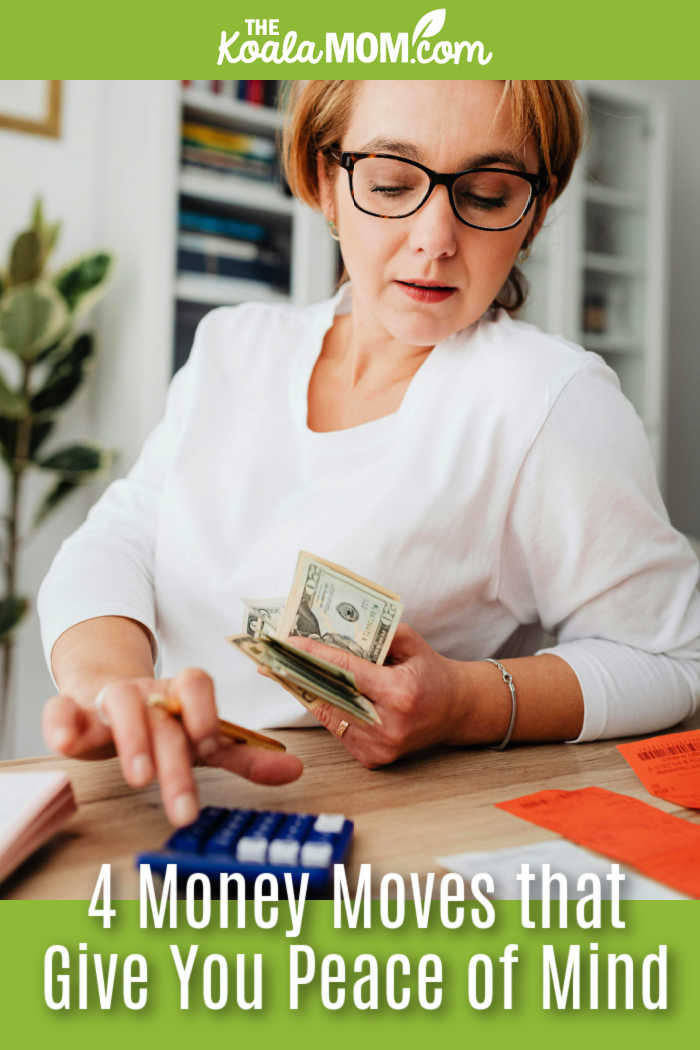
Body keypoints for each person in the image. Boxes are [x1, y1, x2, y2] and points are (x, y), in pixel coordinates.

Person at [39, 80, 700, 827]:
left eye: (485, 196)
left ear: (536, 212)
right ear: (326, 180)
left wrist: (463, 703)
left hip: (372, 837)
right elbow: (121, 538)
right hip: (152, 806)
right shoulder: (235, 345)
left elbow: (674, 661)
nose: (434, 238)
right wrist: (113, 688)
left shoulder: (550, 400)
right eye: (391, 183)